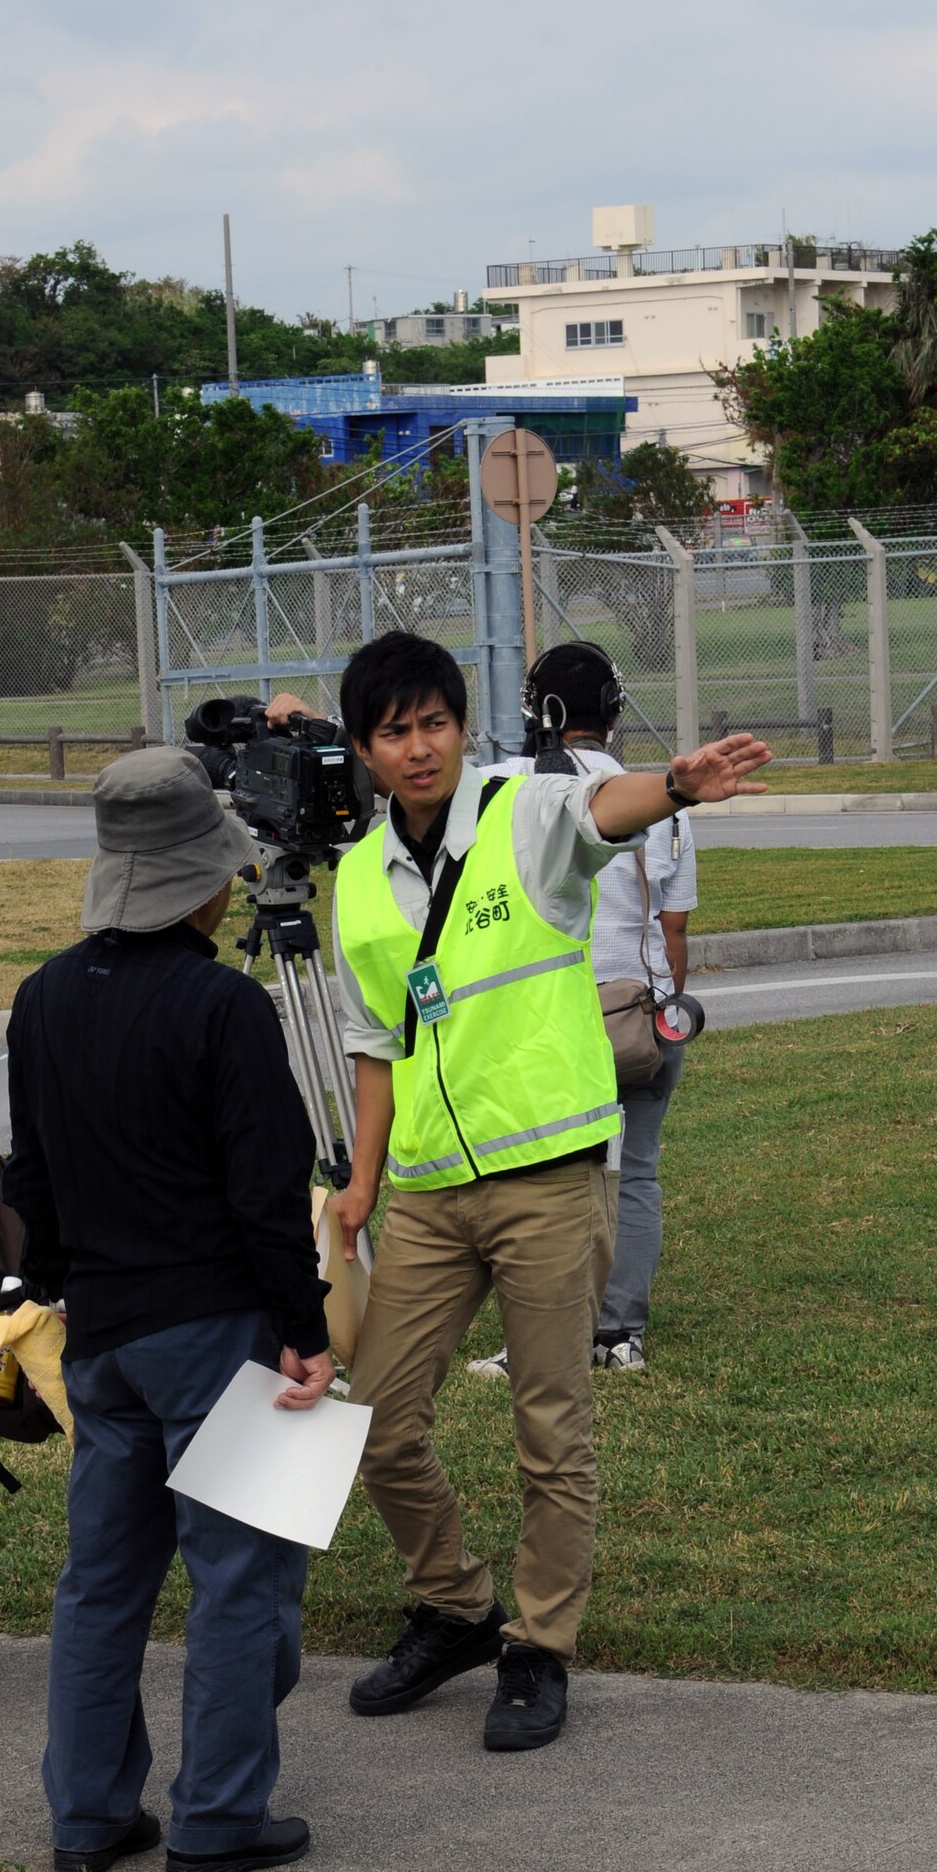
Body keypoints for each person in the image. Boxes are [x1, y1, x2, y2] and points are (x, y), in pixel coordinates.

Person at [329, 632, 769, 1752]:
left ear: (461, 726)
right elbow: (374, 1044)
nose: (417, 746)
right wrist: (361, 1181)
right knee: (376, 1422)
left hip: (547, 1174)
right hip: (426, 1188)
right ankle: (456, 1607)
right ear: (365, 749)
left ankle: (538, 1644)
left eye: (433, 722)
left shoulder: (524, 809)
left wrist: (674, 783)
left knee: (548, 1427)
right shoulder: (356, 879)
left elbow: (604, 808)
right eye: (393, 730)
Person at [3, 747, 334, 1872]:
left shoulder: (41, 995)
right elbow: (264, 1188)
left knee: (102, 1581)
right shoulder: (221, 1005)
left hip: (98, 1335)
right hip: (212, 1326)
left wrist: (60, 1276)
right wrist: (305, 1322)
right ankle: (216, 1818)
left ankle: (88, 1814)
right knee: (237, 1574)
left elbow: (30, 1174)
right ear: (205, 881)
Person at [471, 639, 698, 1374]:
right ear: (612, 713)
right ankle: (618, 1332)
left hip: (550, 1017)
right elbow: (674, 928)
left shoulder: (505, 786)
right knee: (634, 1173)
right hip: (644, 1012)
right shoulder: (659, 795)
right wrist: (664, 1004)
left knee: (538, 1183)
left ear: (540, 710)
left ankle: (536, 1339)